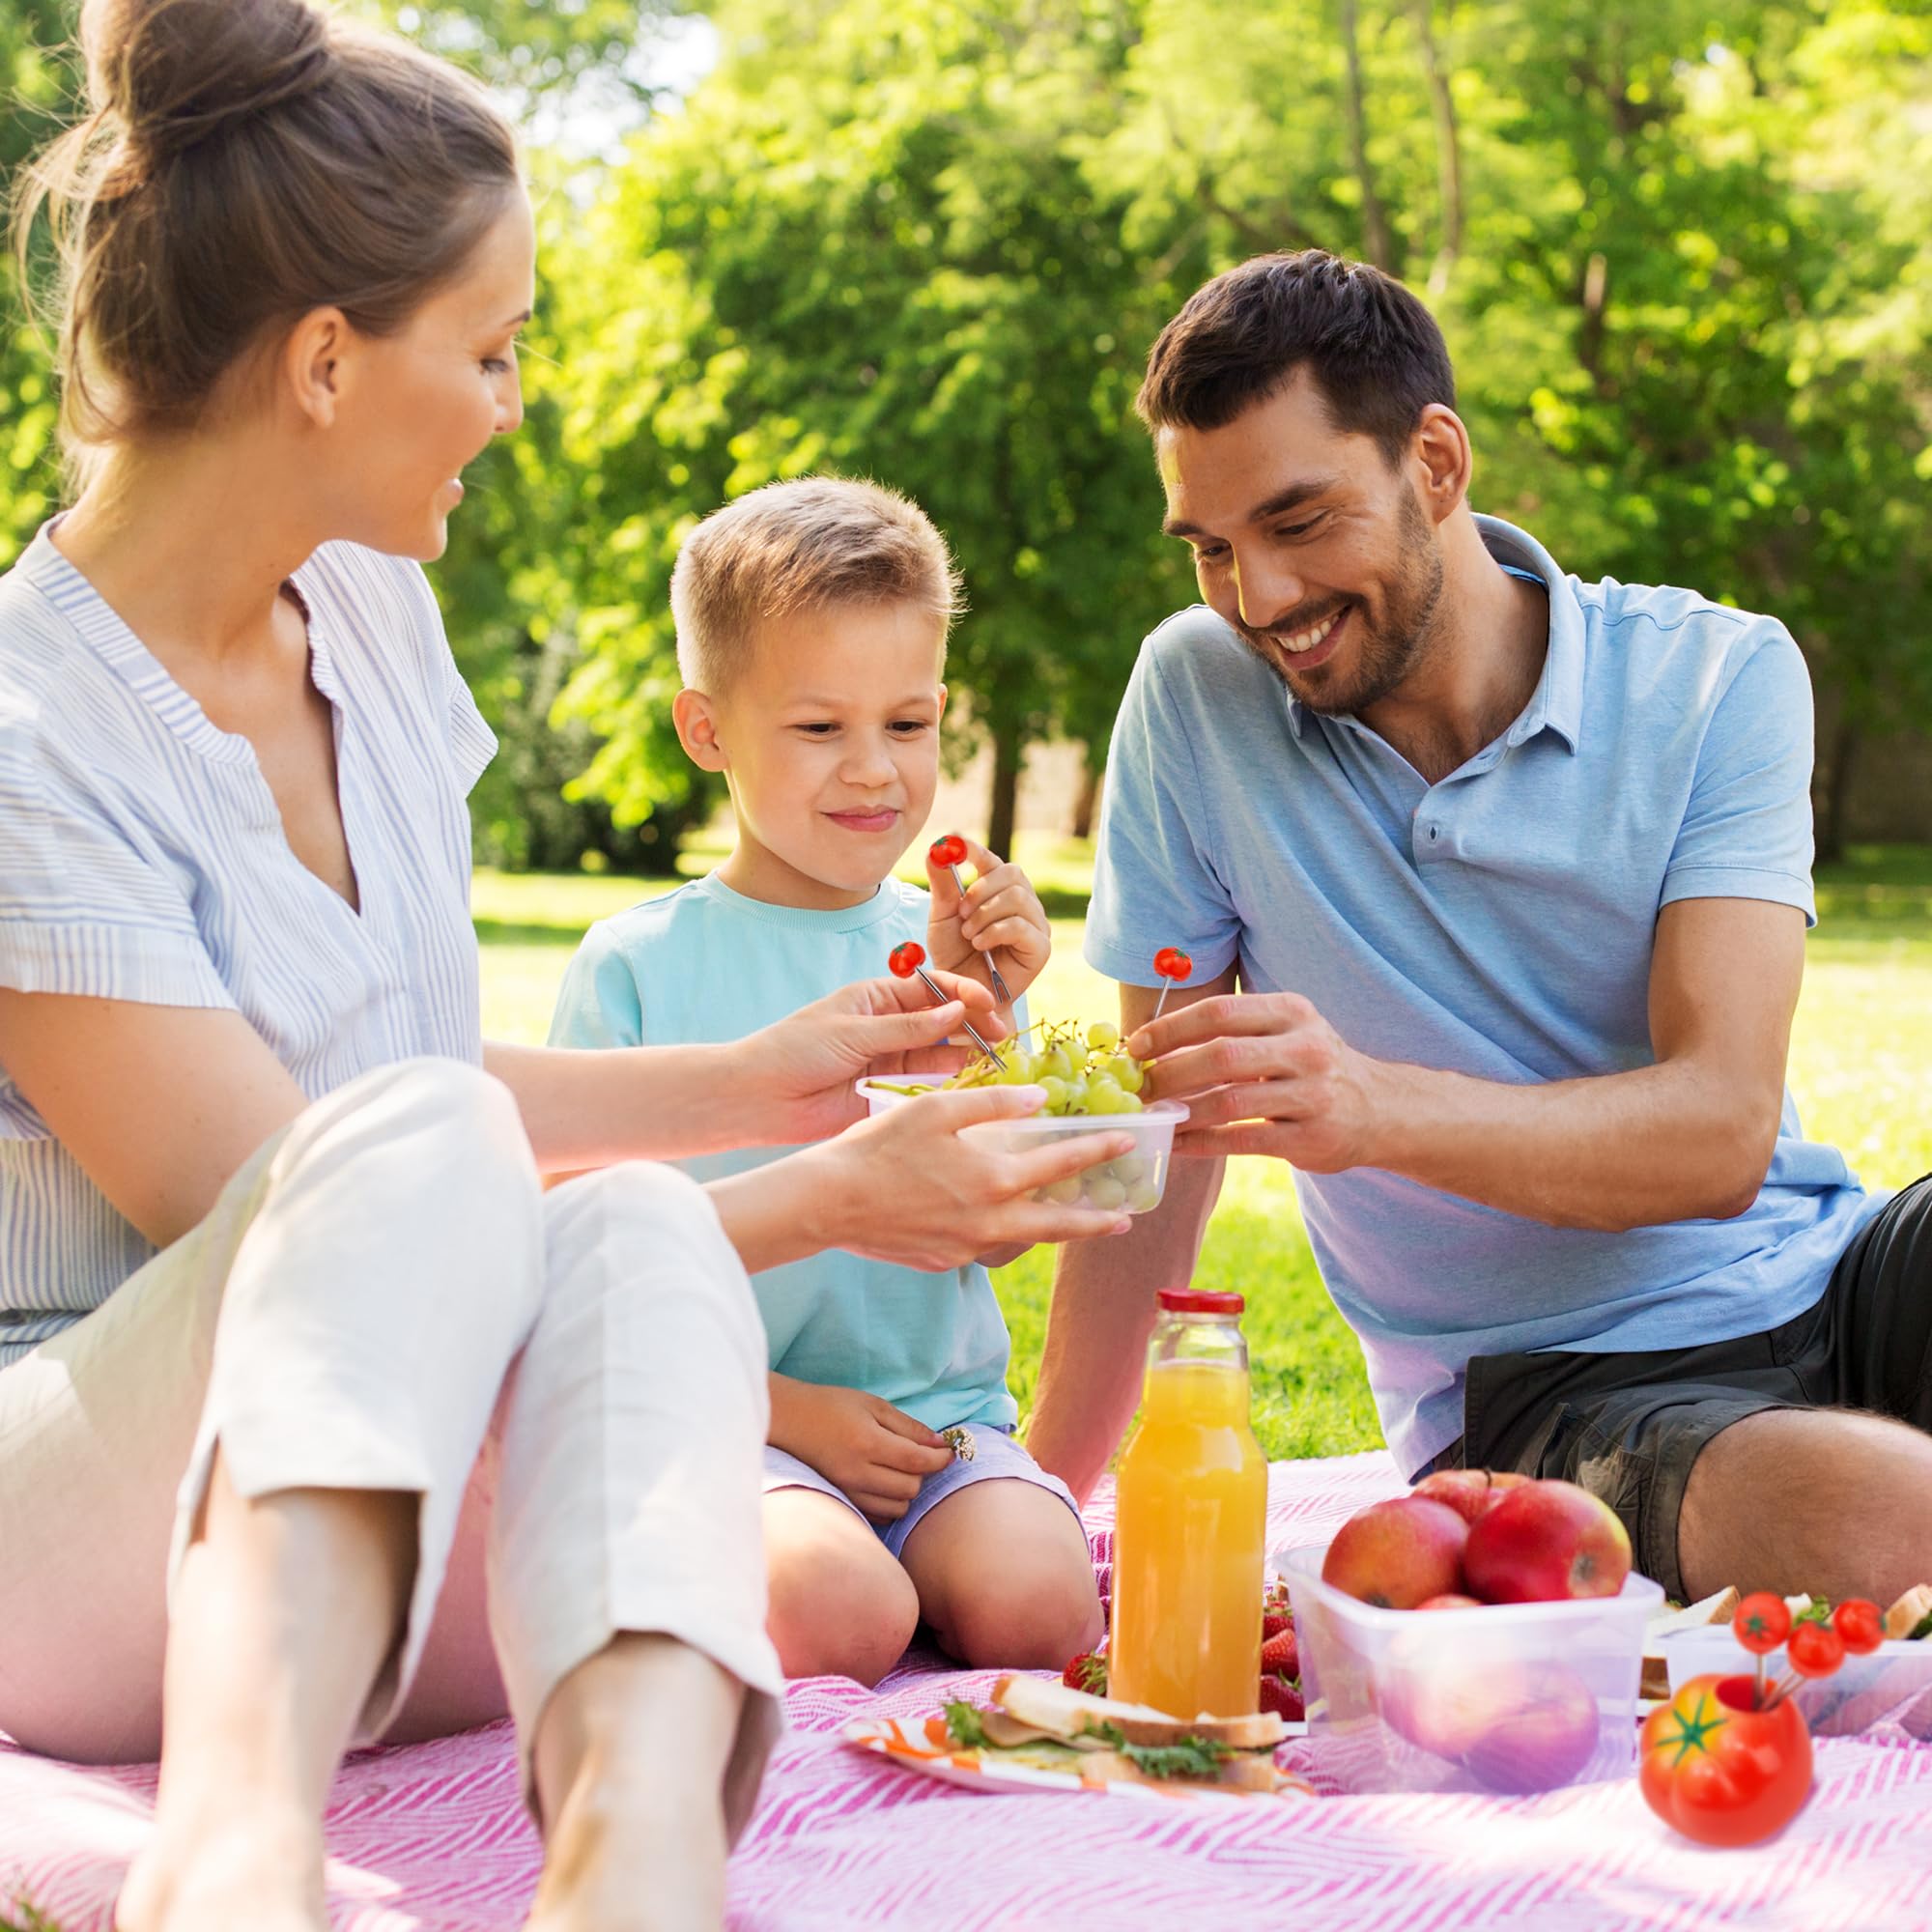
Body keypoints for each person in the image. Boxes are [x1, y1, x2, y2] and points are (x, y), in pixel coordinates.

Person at [0, 7, 1125, 1931]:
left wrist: (767, 1077)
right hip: (78, 1534)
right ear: (330, 361)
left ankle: (632, 1854)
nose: (517, 402)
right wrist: (826, 1190)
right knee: (527, 1192)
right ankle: (234, 1840)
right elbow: (306, 1233)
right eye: (496, 347)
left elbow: (411, 1097)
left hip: (395, 1497)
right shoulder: (29, 728)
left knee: (630, 1233)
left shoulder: (368, 608)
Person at [1026, 248, 1932, 1614]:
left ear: (1435, 464)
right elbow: (1156, 1153)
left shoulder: (1716, 676)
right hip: (1541, 1385)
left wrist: (1371, 1107)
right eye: (1211, 547)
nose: (1259, 597)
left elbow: (1719, 1131)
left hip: (1833, 1268)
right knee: (1887, 1525)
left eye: (1299, 520)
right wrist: (1041, 1501)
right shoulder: (1196, 697)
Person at [549, 478, 1111, 1687]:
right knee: (839, 1610)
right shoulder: (638, 968)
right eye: (818, 729)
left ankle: (902, 1568)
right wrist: (784, 1413)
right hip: (727, 1419)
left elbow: (995, 1233)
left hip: (936, 1422)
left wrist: (997, 1024)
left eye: (906, 726)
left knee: (1043, 1604)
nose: (873, 774)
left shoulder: (945, 949)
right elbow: (595, 1267)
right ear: (707, 732)